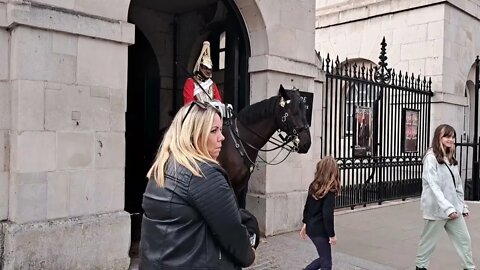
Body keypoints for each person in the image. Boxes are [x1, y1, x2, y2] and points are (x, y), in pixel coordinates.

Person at [139, 101, 256, 269]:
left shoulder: (163, 167)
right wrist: (250, 254)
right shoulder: (204, 174)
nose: (222, 137)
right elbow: (233, 235)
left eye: (220, 130)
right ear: (193, 135)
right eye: (213, 131)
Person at [415, 124, 475, 270]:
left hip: (453, 210)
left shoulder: (449, 157)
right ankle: (420, 267)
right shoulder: (430, 158)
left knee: (464, 240)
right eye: (447, 136)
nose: (451, 139)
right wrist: (448, 208)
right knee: (427, 245)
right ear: (439, 138)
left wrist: (462, 206)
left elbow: (457, 185)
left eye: (453, 136)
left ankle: (469, 267)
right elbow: (434, 187)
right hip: (437, 210)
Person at [300, 156, 341, 270]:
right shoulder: (330, 190)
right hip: (320, 231)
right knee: (326, 264)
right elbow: (327, 215)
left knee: (324, 258)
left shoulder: (314, 185)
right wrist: (332, 235)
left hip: (312, 229)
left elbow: (307, 207)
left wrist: (305, 224)